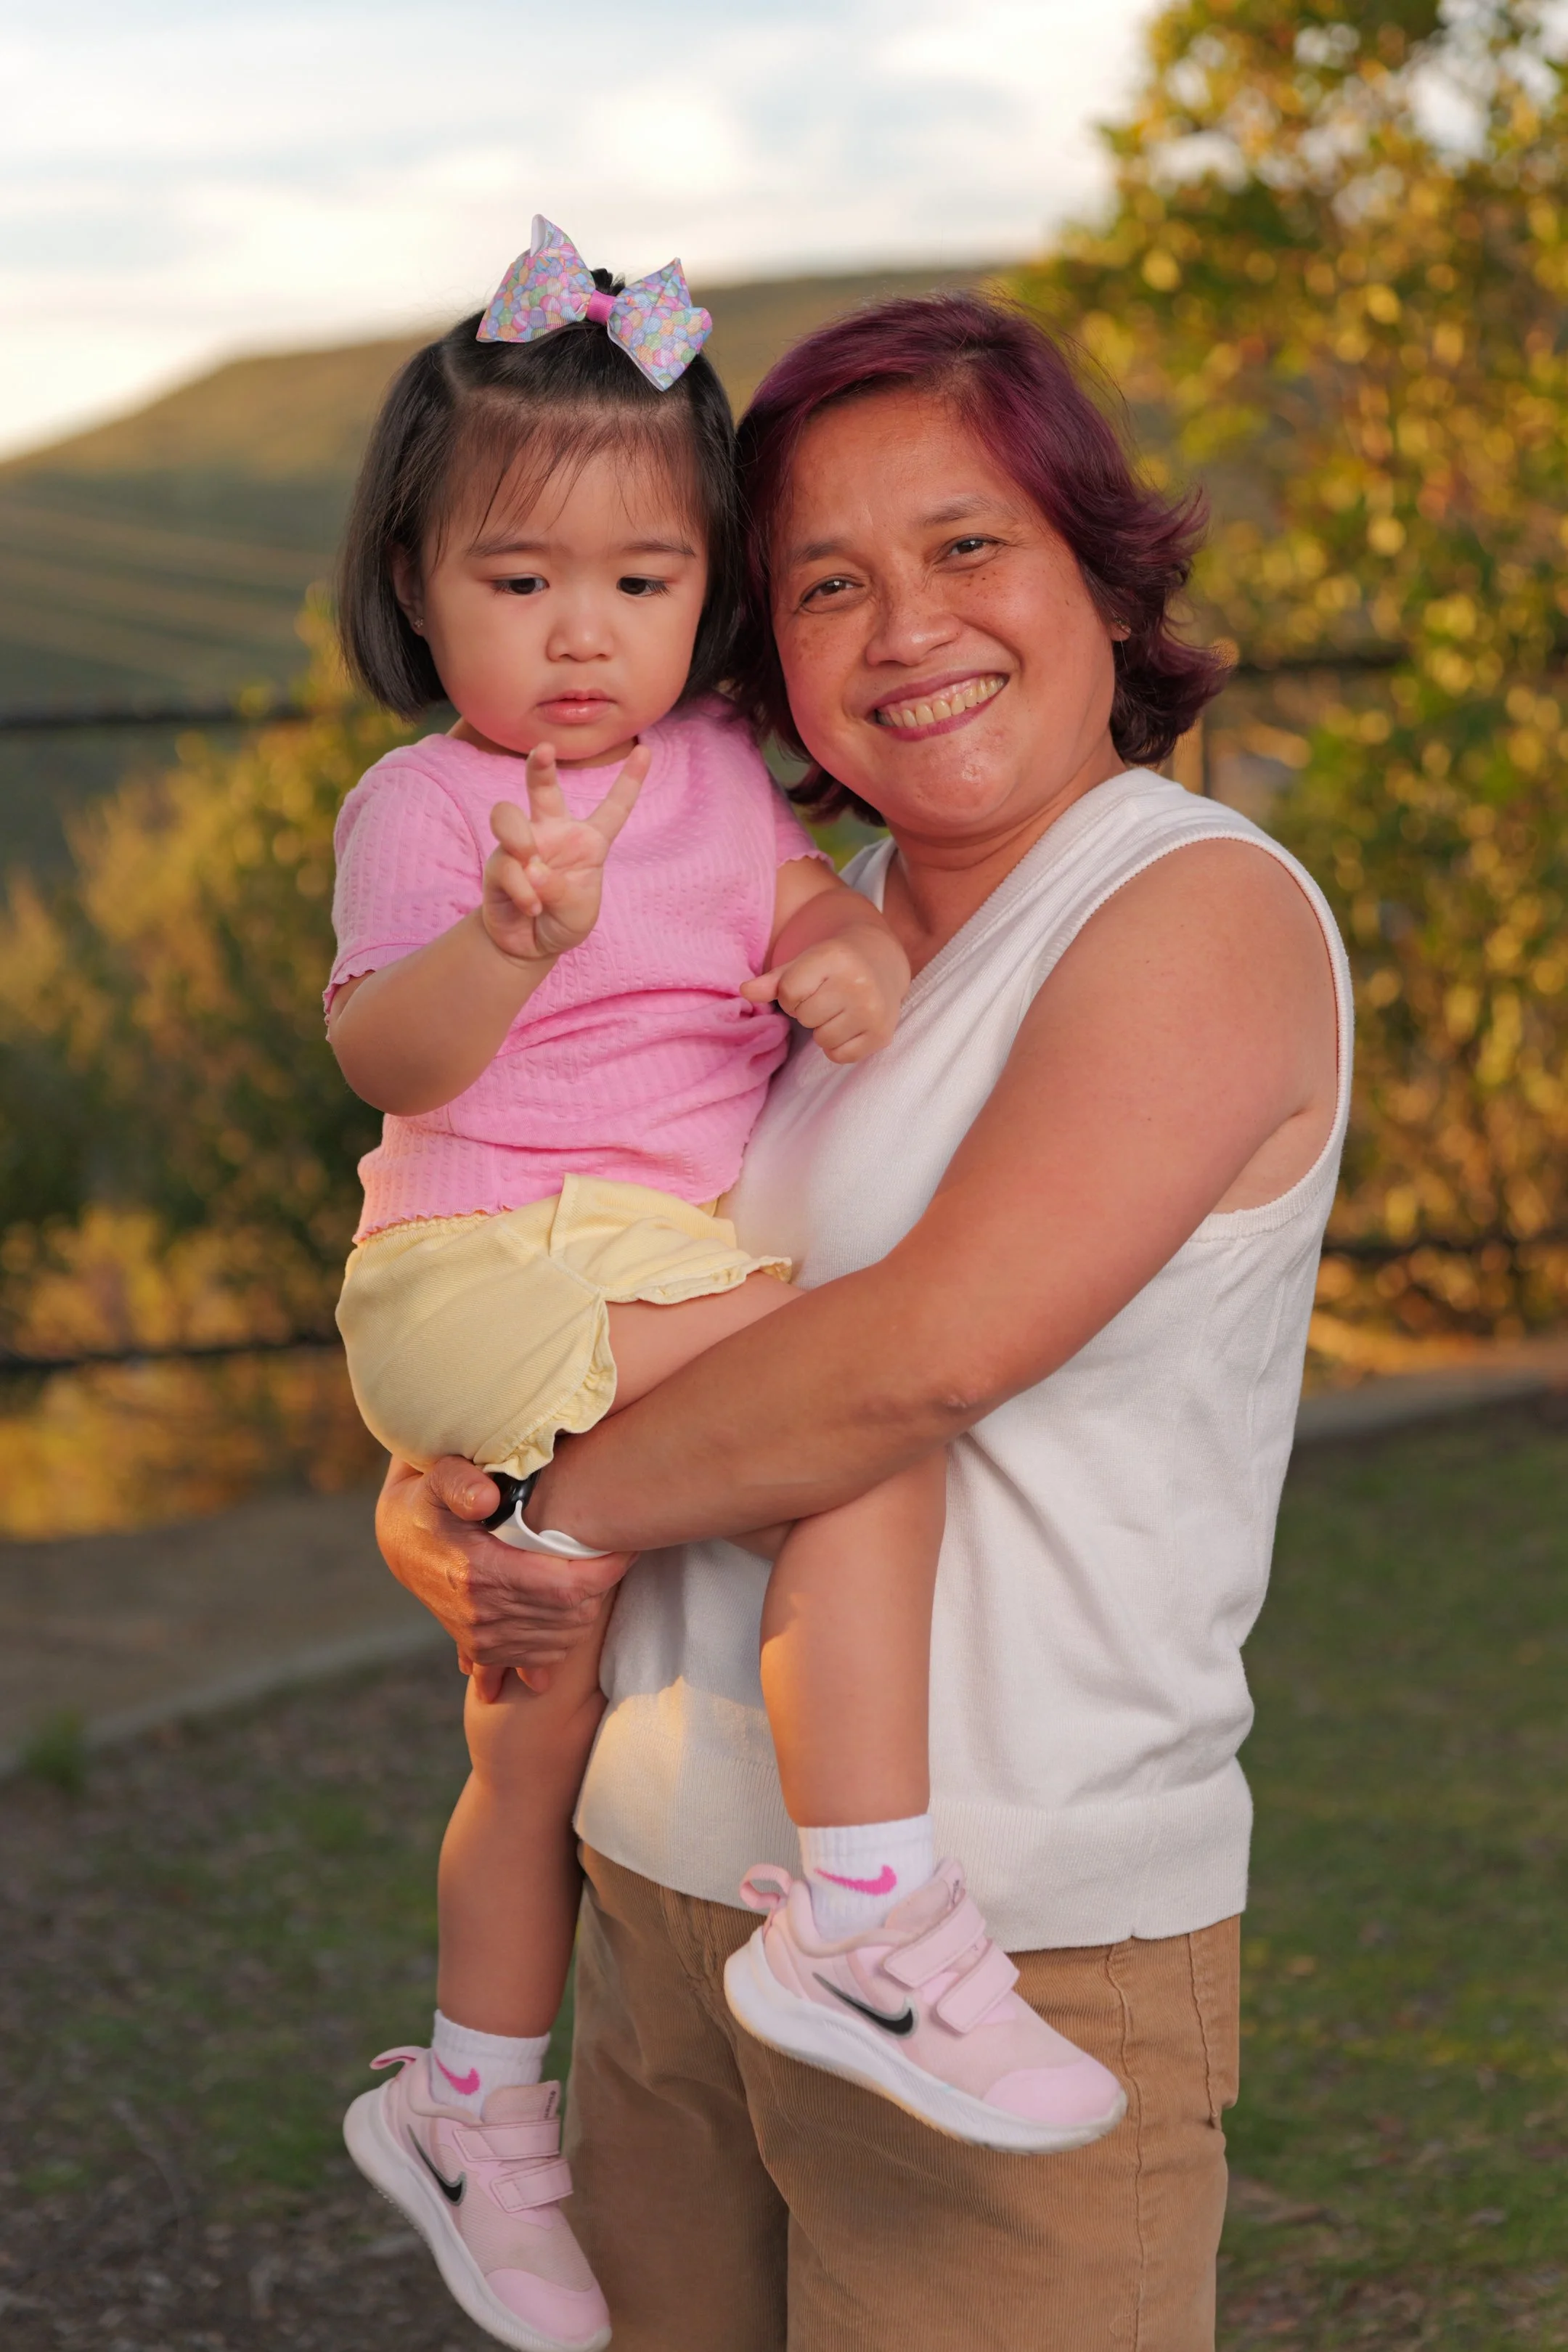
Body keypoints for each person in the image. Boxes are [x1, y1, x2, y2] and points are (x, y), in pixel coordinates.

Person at [376, 289, 1351, 2352]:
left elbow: (925, 1354)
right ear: (764, 645)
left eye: (971, 546)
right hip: (662, 1896)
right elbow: (579, 1260)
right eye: (829, 582)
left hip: (1016, 1936)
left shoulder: (1191, 908)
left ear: (1102, 571)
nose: (908, 625)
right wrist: (446, 1498)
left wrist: (558, 1515)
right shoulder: (780, 921)